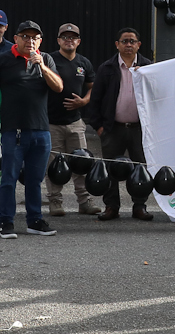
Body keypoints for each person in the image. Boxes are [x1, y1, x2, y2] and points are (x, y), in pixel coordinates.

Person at [0, 20, 64, 238]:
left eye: (34, 37)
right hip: (13, 131)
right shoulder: (3, 60)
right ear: (16, 39)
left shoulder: (45, 59)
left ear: (40, 41)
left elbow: (58, 87)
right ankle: (6, 221)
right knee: (9, 178)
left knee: (35, 179)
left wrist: (42, 66)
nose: (30, 41)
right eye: (25, 36)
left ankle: (34, 220)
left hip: (41, 130)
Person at [86, 27, 155, 221]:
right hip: (112, 129)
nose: (128, 45)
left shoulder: (148, 67)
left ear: (138, 45)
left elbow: (158, 95)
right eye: (124, 41)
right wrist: (99, 127)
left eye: (132, 41)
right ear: (117, 44)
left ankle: (139, 206)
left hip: (138, 129)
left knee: (141, 168)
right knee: (110, 169)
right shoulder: (106, 68)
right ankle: (111, 207)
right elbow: (96, 99)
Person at [46, 23, 101, 218]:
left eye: (73, 37)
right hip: (52, 123)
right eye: (65, 37)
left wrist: (84, 101)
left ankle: (84, 202)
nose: (69, 40)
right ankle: (55, 202)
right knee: (53, 166)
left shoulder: (83, 63)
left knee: (82, 163)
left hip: (75, 122)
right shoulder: (49, 59)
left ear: (79, 41)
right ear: (58, 40)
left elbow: (93, 86)